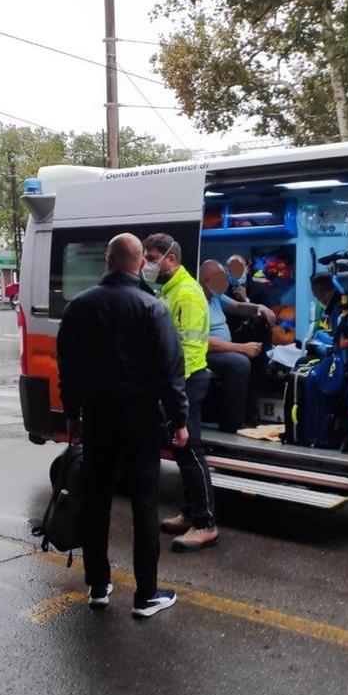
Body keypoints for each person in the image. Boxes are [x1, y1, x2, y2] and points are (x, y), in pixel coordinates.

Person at [57, 233, 187, 618]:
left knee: (96, 501)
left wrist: (72, 414)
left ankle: (98, 584)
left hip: (97, 418)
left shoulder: (78, 306)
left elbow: (69, 368)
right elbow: (170, 371)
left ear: (108, 260)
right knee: (145, 504)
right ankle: (146, 595)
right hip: (140, 420)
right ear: (137, 263)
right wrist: (179, 419)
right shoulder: (151, 308)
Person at [144, 233, 219, 552]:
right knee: (181, 449)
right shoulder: (168, 289)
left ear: (170, 260)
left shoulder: (185, 294)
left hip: (187, 380)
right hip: (177, 381)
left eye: (151, 257)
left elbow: (188, 349)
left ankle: (205, 524)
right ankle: (190, 513)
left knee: (190, 451)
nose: (147, 263)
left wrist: (174, 392)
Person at [199, 260, 275, 432]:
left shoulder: (215, 296)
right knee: (239, 363)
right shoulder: (196, 299)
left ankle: (249, 415)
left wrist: (258, 307)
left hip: (223, 347)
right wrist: (241, 348)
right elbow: (201, 342)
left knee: (260, 359)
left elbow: (237, 306)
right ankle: (231, 423)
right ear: (206, 281)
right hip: (206, 351)